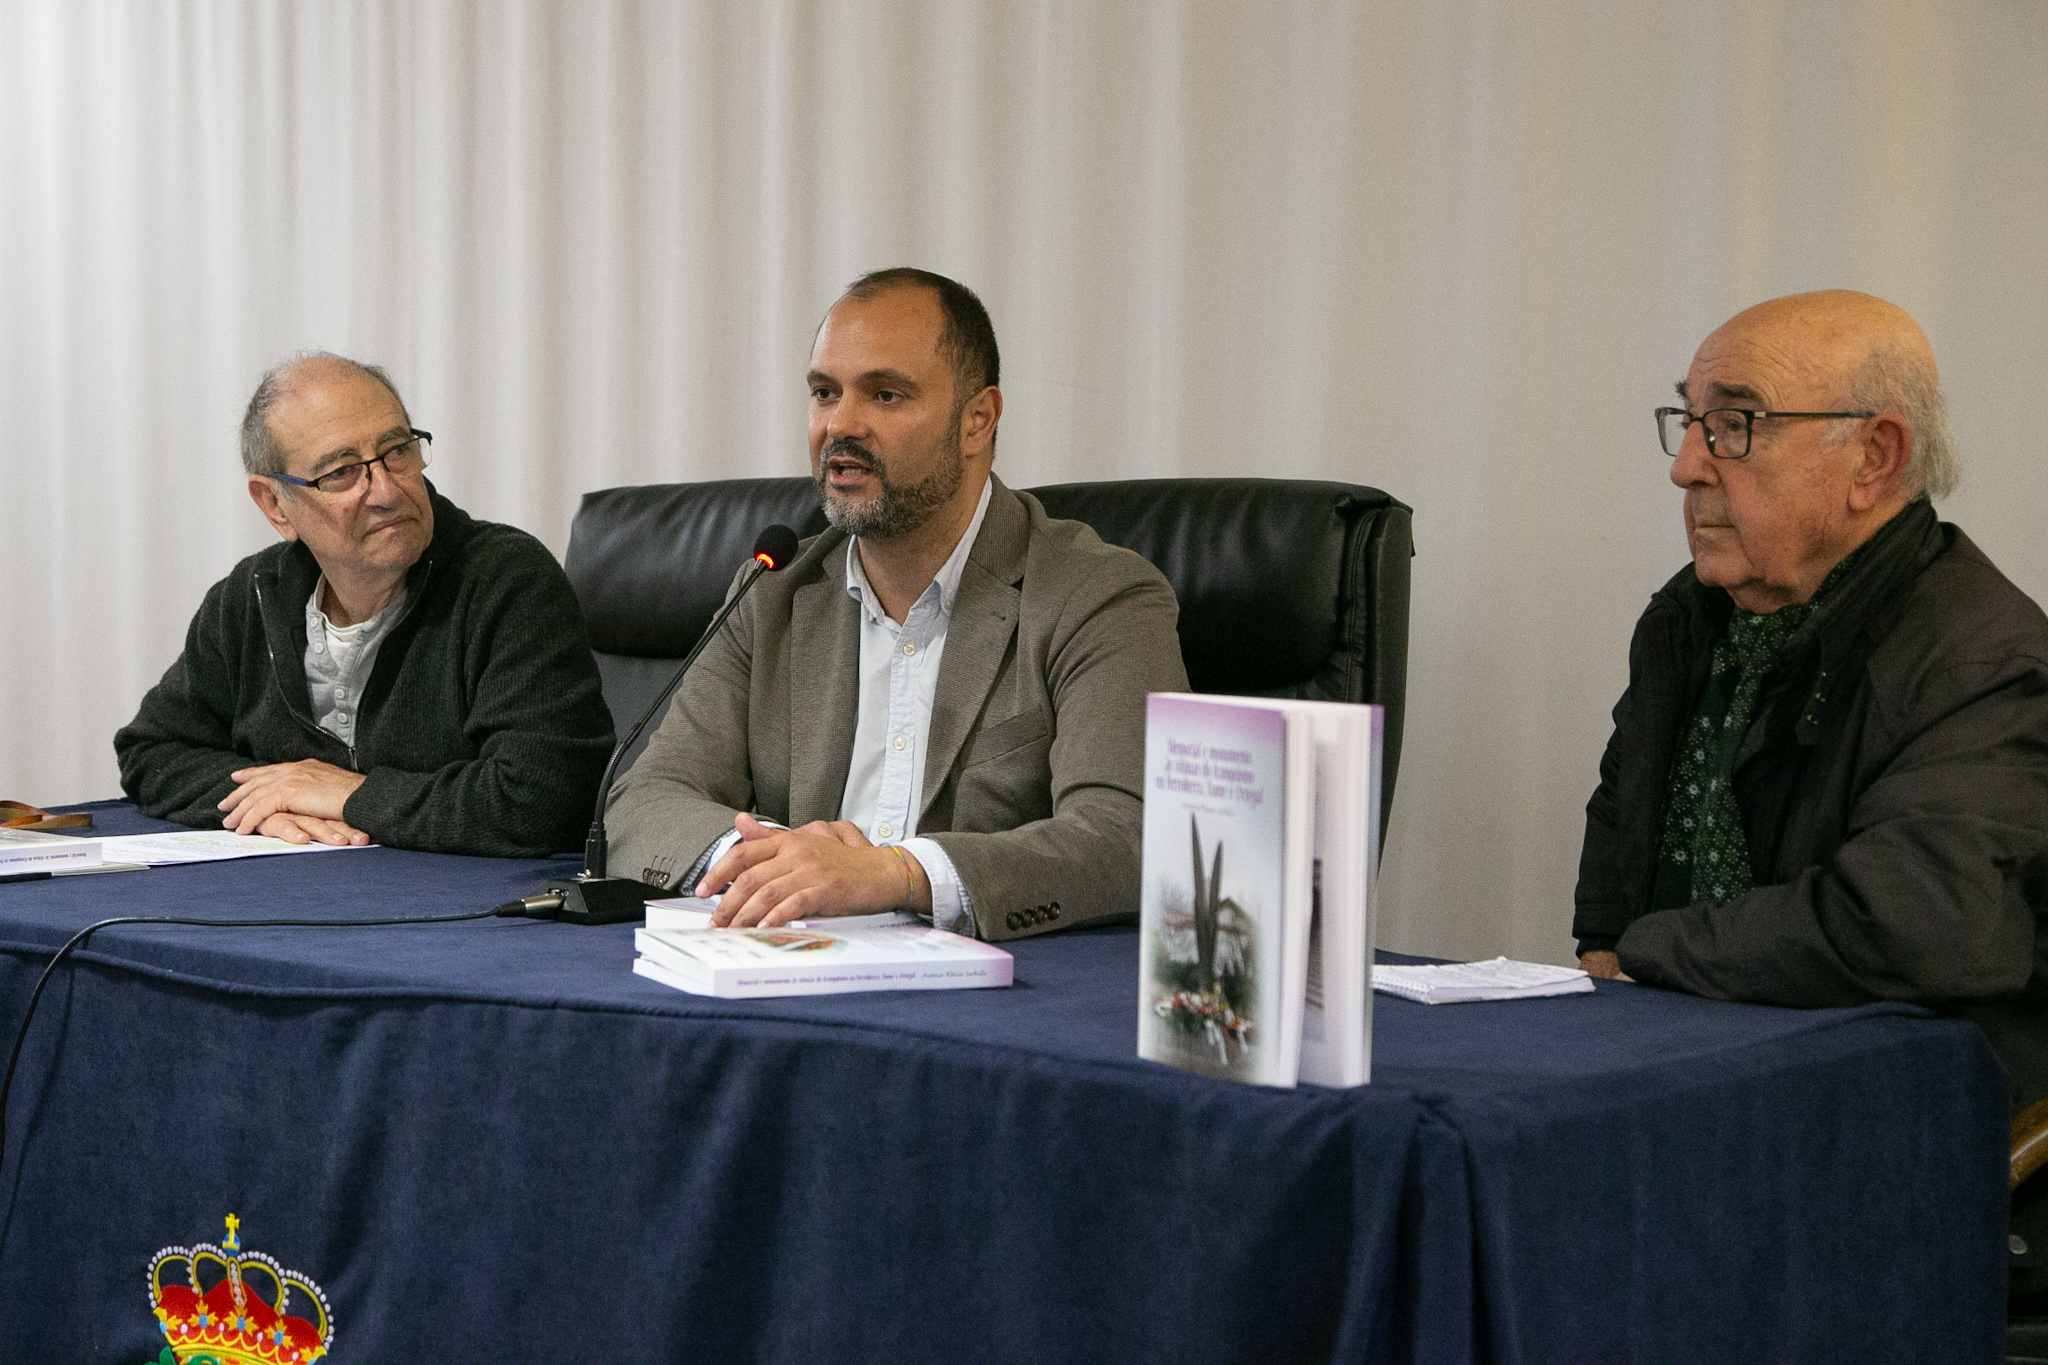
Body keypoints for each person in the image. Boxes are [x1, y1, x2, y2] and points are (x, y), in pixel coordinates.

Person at [605, 268, 1188, 939]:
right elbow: (643, 798)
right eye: (824, 393)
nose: (840, 425)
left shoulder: (1097, 595)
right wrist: (774, 863)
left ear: (977, 420)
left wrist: (897, 874)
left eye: (885, 394)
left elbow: (1127, 837)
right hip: (794, 961)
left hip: (998, 982)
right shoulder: (773, 592)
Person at [1573, 289, 2048, 1111]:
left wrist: (1648, 952)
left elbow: (1917, 925)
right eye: (1690, 421)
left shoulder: (1986, 664)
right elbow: (1620, 824)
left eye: (1735, 425)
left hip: (1886, 1116)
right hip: (1677, 1075)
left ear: (1873, 458)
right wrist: (1609, 951)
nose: (1686, 465)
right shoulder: (1689, 618)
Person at [115, 353, 615, 857]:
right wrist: (276, 801)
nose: (386, 491)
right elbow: (152, 751)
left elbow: (545, 798)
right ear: (275, 505)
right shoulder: (253, 594)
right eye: (341, 472)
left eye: (397, 451)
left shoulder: (505, 579)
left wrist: (350, 796)